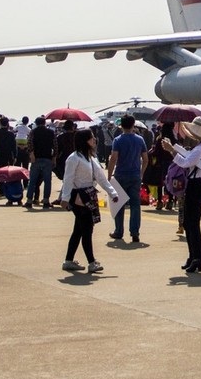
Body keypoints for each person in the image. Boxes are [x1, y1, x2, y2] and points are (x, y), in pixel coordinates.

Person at [60, 129, 118, 273]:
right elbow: (68, 179)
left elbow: (101, 178)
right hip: (78, 196)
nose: (94, 140)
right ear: (84, 141)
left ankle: (68, 260)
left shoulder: (91, 158)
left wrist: (112, 192)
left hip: (89, 195)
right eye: (91, 138)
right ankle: (92, 262)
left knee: (79, 230)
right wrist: (65, 198)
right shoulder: (74, 158)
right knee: (86, 229)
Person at [162, 117, 201, 272]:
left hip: (195, 186)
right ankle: (193, 257)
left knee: (192, 224)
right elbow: (188, 158)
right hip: (197, 185)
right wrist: (174, 147)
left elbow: (185, 162)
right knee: (189, 223)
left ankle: (196, 258)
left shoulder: (200, 148)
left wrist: (171, 150)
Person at [108, 114, 149, 244]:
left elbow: (113, 158)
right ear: (133, 125)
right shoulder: (140, 140)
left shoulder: (118, 140)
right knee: (135, 205)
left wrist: (109, 175)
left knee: (119, 204)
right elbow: (145, 159)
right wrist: (141, 173)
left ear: (121, 125)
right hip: (135, 175)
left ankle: (119, 231)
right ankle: (135, 232)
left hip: (120, 174)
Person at [26, 117, 56, 209]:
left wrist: (31, 155)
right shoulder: (51, 132)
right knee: (47, 181)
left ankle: (29, 201)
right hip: (47, 158)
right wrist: (54, 158)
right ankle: (46, 201)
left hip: (36, 158)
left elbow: (30, 143)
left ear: (36, 123)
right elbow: (55, 146)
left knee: (32, 181)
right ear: (44, 123)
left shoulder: (33, 132)